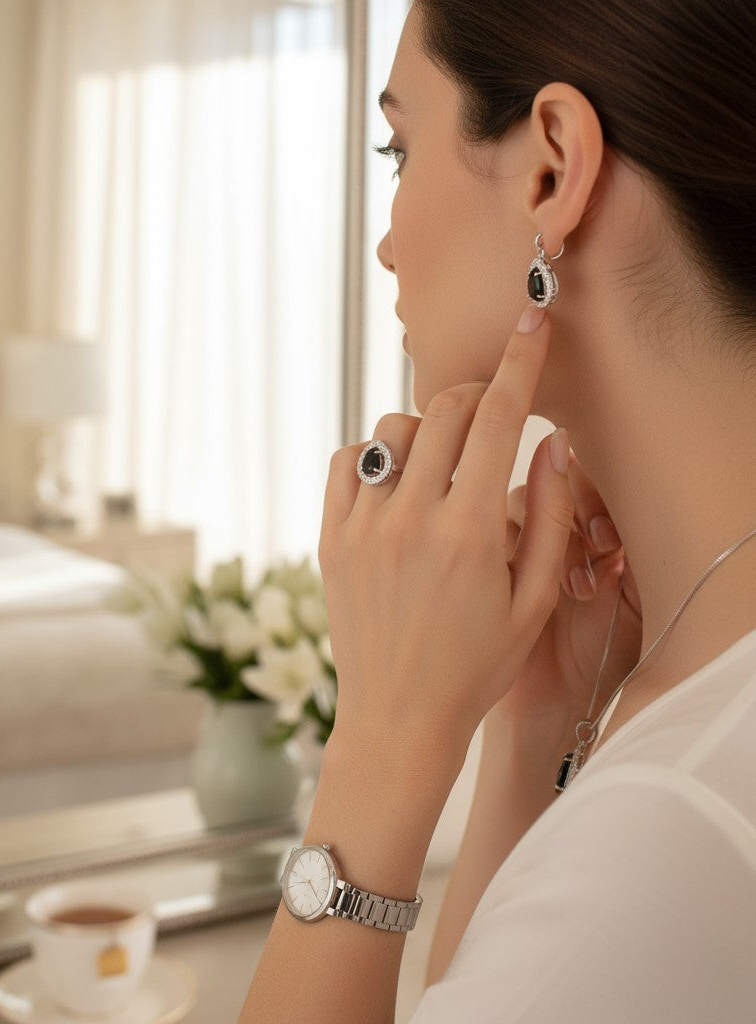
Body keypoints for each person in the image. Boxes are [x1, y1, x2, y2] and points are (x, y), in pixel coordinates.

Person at [240, 1, 756, 1020]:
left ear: (551, 169)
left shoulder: (665, 828)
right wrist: (530, 729)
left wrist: (380, 748)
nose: (385, 246)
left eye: (398, 148)